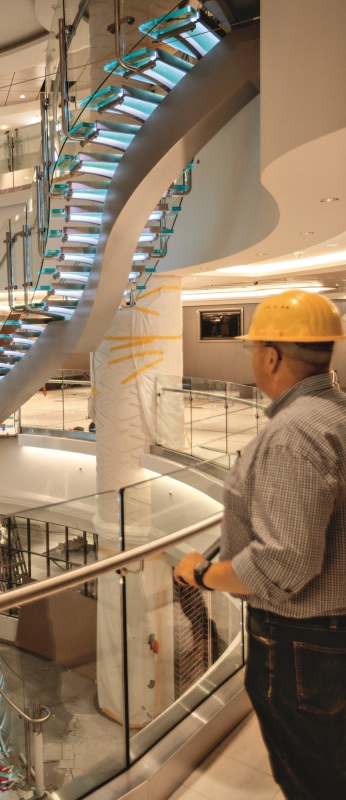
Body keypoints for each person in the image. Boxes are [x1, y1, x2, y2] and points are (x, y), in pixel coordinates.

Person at [173, 290, 346, 800]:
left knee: (310, 775)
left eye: (253, 350)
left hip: (302, 641)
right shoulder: (336, 415)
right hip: (329, 634)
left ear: (271, 356)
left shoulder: (292, 435)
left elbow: (283, 561)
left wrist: (200, 575)